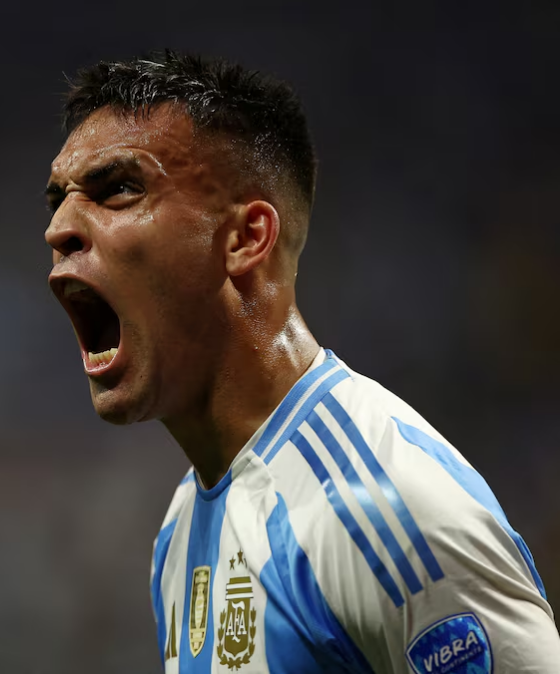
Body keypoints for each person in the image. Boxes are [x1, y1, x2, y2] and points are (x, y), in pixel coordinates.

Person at [43, 50, 560, 673]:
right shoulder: (180, 530)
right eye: (58, 200)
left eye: (119, 189)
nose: (60, 228)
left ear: (245, 238)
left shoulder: (380, 508)